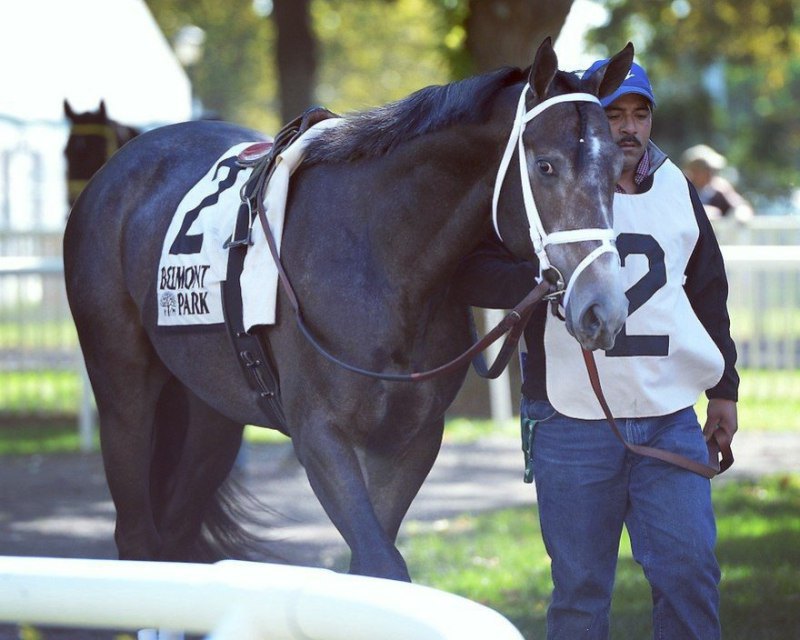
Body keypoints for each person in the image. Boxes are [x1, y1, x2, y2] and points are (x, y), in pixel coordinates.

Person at [452, 59, 739, 639]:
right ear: (587, 122)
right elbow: (467, 269)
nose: (629, 129)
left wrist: (725, 392)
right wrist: (539, 280)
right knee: (581, 594)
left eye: (640, 114)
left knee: (690, 575)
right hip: (570, 419)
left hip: (668, 416)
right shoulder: (541, 194)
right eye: (615, 116)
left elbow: (708, 292)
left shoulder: (678, 189)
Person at [681, 143, 754, 222]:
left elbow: (741, 206)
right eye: (705, 169)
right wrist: (702, 212)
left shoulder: (719, 187)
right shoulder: (681, 187)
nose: (710, 173)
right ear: (693, 170)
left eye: (712, 170)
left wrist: (741, 215)